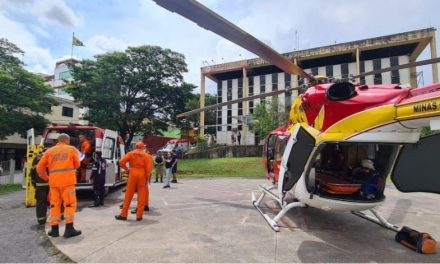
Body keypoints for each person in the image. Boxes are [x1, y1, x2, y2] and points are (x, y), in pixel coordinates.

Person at [37, 134, 81, 238]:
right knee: (69, 204)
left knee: (54, 205)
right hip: (68, 182)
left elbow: (39, 168)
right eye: (69, 140)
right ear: (66, 140)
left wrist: (46, 178)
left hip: (54, 183)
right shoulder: (71, 149)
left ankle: (54, 230)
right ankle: (69, 229)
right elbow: (78, 164)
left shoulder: (49, 151)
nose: (69, 141)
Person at [115, 141, 153, 221]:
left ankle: (123, 214)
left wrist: (127, 170)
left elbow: (121, 162)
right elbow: (148, 169)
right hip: (142, 174)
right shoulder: (147, 156)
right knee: (141, 194)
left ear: (136, 147)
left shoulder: (130, 153)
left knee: (128, 194)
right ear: (143, 147)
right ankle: (139, 216)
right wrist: (147, 178)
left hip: (132, 172)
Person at [31, 148, 49, 225]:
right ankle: (59, 217)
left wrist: (34, 183)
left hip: (40, 184)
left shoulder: (36, 158)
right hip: (52, 183)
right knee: (56, 201)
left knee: (41, 202)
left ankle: (41, 220)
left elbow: (32, 172)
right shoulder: (51, 155)